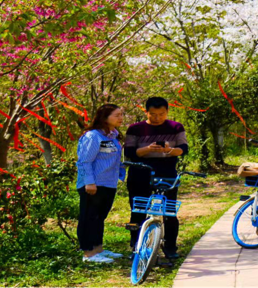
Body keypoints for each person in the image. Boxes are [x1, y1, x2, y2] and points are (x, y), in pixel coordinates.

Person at [124, 97, 188, 260]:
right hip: (140, 172)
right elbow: (130, 153)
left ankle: (170, 247)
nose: (158, 118)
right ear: (146, 112)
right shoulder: (135, 129)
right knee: (138, 210)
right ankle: (136, 246)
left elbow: (183, 149)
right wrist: (147, 149)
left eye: (161, 114)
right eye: (153, 114)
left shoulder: (176, 127)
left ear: (167, 111)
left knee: (169, 211)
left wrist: (169, 150)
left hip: (167, 172)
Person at [76, 103, 125, 264]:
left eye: (121, 115)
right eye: (116, 115)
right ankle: (88, 253)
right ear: (104, 117)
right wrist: (89, 182)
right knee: (89, 217)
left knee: (99, 217)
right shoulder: (93, 136)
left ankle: (98, 249)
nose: (120, 118)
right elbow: (84, 161)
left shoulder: (113, 136)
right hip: (93, 184)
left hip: (109, 183)